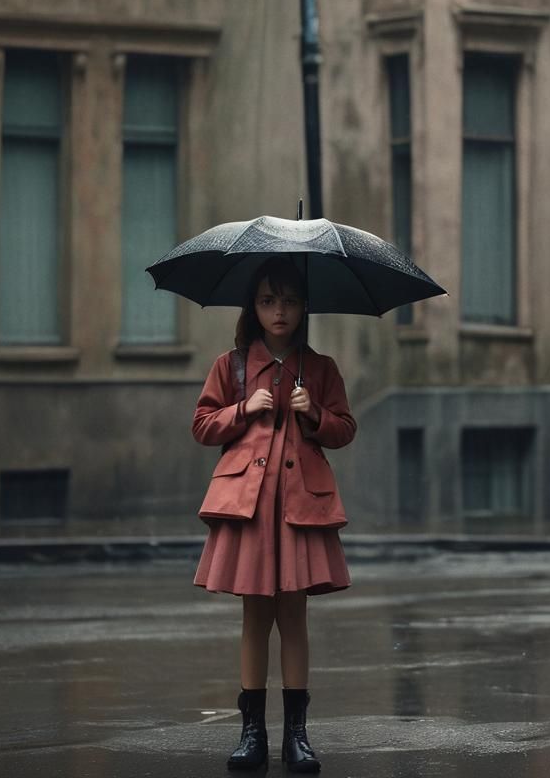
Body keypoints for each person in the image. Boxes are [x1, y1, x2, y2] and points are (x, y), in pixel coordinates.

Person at [192, 256, 356, 773]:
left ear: (304, 306)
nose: (278, 311)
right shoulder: (232, 366)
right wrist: (245, 408)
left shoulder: (321, 368)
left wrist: (315, 414)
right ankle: (252, 732)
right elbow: (201, 424)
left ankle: (297, 735)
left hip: (300, 505)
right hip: (251, 507)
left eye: (288, 300)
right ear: (253, 307)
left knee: (294, 616)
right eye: (267, 301)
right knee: (255, 616)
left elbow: (345, 429)